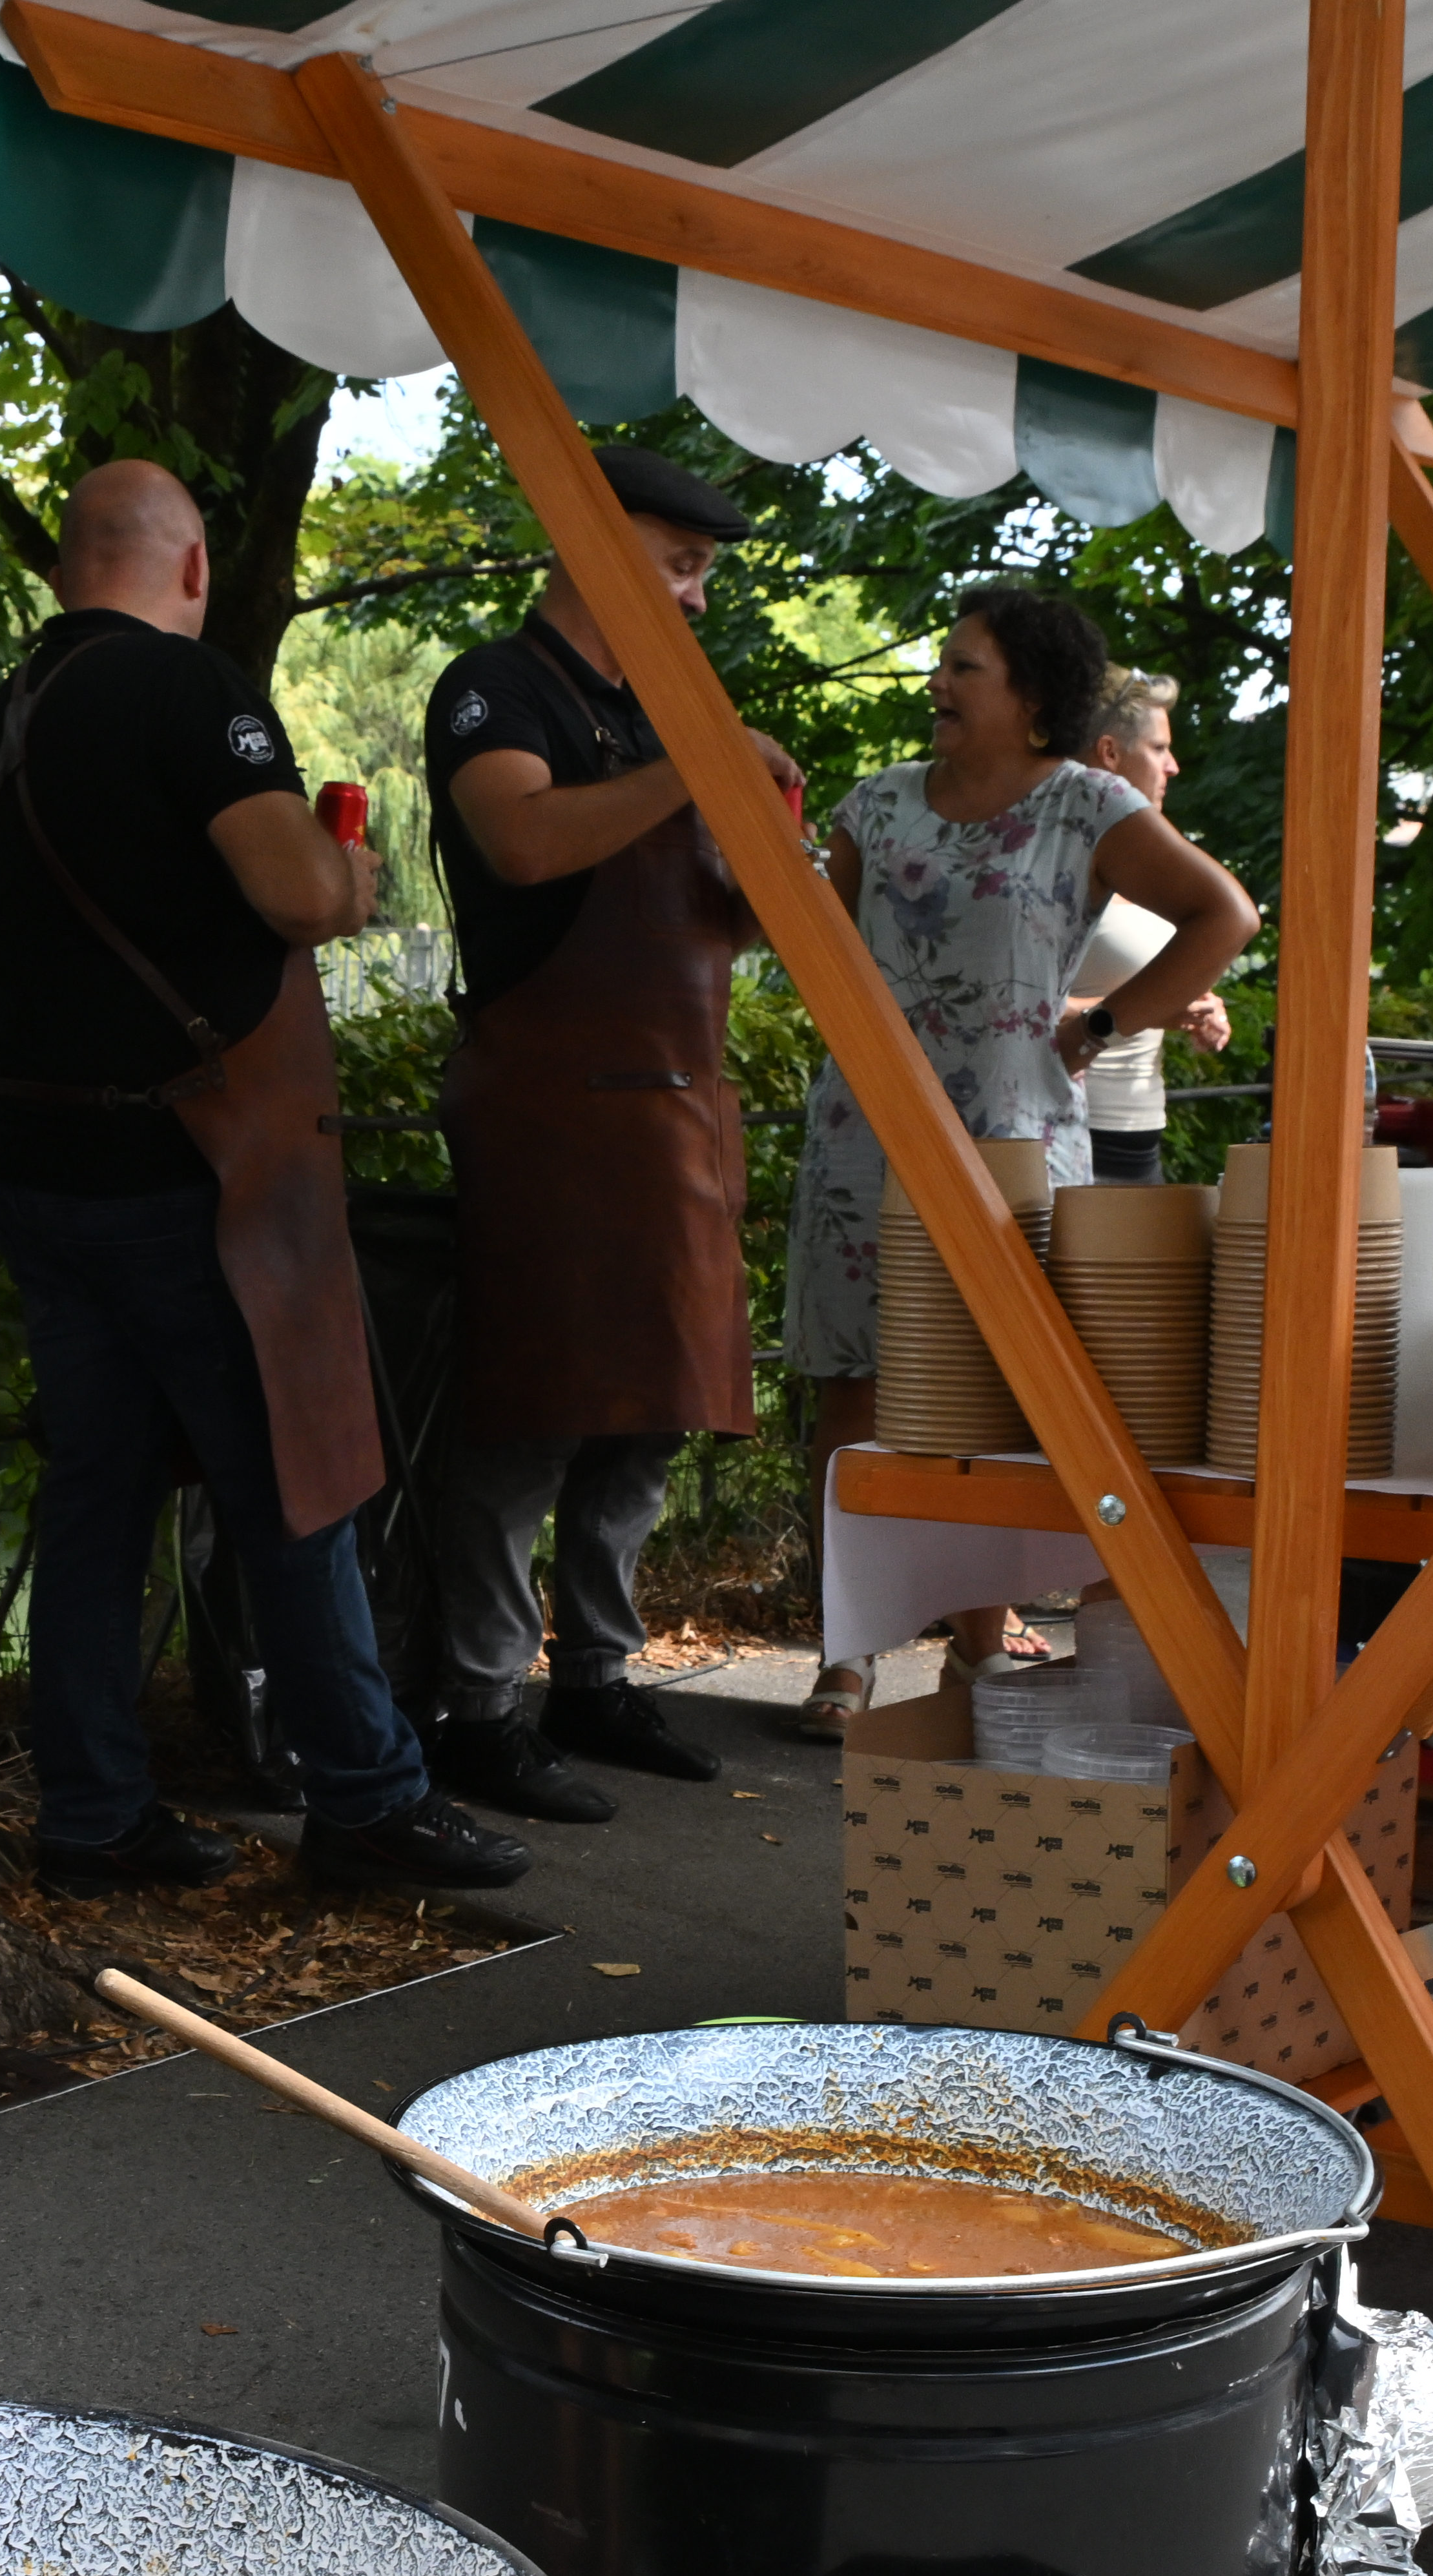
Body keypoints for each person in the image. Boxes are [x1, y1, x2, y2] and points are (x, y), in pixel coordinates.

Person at [0, 465, 524, 1897]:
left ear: (71, 567)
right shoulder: (197, 698)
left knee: (98, 1492)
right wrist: (350, 872)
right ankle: (368, 1798)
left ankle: (93, 1814)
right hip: (186, 1166)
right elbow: (301, 896)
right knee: (292, 1482)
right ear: (190, 570)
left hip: (30, 1160)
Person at [776, 588, 1255, 1739]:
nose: (936, 683)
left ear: (1032, 694)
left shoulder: (1087, 805)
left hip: (1012, 1144)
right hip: (865, 1142)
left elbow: (1221, 915)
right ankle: (845, 1656)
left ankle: (979, 1650)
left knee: (992, 1404)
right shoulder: (875, 807)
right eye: (940, 662)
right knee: (855, 1391)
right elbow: (816, 954)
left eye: (963, 666)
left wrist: (1103, 1025)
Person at [407, 442, 796, 1826]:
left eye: (700, 574)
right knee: (533, 1417)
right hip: (552, 1114)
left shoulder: (668, 710)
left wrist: (769, 837)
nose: (695, 600)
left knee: (650, 1422)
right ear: (597, 546)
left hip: (679, 1106)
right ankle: (476, 1704)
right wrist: (694, 768)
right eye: (679, 565)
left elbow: (745, 922)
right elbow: (521, 839)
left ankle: (600, 1678)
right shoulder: (495, 688)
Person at [1064, 668, 1235, 1182]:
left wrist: (1203, 1007)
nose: (1174, 767)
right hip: (1068, 1135)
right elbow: (996, 1007)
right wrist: (1137, 1010)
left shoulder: (1155, 866)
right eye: (1159, 749)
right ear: (1110, 753)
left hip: (1140, 1140)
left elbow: (1151, 982)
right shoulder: (1055, 859)